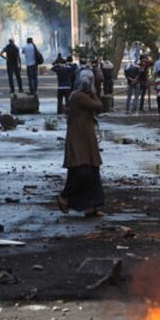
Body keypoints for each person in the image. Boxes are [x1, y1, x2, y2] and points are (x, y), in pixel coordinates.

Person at [56, 75, 105, 217]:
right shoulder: (79, 97)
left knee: (92, 171)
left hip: (85, 139)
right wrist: (95, 94)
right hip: (79, 140)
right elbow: (99, 107)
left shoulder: (81, 96)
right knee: (81, 171)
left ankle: (91, 206)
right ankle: (65, 197)